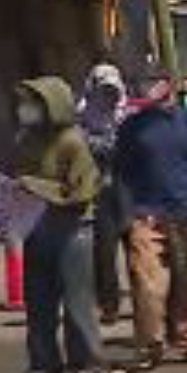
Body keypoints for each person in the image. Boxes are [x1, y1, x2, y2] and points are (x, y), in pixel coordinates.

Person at [112, 70, 187, 365]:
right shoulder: (131, 127)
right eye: (144, 82)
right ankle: (151, 343)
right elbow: (121, 174)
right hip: (146, 214)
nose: (147, 88)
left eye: (154, 82)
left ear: (169, 86)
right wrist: (125, 215)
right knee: (147, 282)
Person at [10, 75, 108, 373]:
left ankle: (87, 360)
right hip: (36, 227)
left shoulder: (72, 141)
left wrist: (33, 186)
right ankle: (43, 363)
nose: (26, 109)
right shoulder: (26, 140)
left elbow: (81, 192)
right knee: (39, 301)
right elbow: (16, 178)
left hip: (72, 230)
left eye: (33, 103)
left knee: (76, 300)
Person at [81, 63, 131, 318]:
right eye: (104, 89)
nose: (109, 95)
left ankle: (145, 302)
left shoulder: (128, 114)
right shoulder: (82, 114)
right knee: (104, 250)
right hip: (99, 189)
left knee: (137, 248)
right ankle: (108, 304)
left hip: (128, 187)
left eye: (113, 89)